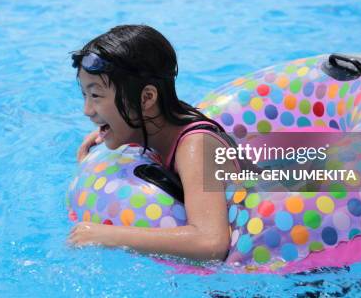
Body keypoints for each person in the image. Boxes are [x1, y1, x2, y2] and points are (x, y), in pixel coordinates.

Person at [67, 25, 239, 261]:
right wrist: (106, 137)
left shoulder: (196, 146)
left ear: (146, 98)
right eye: (84, 95)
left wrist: (107, 235)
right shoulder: (161, 124)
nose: (86, 111)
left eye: (96, 96)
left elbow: (211, 242)